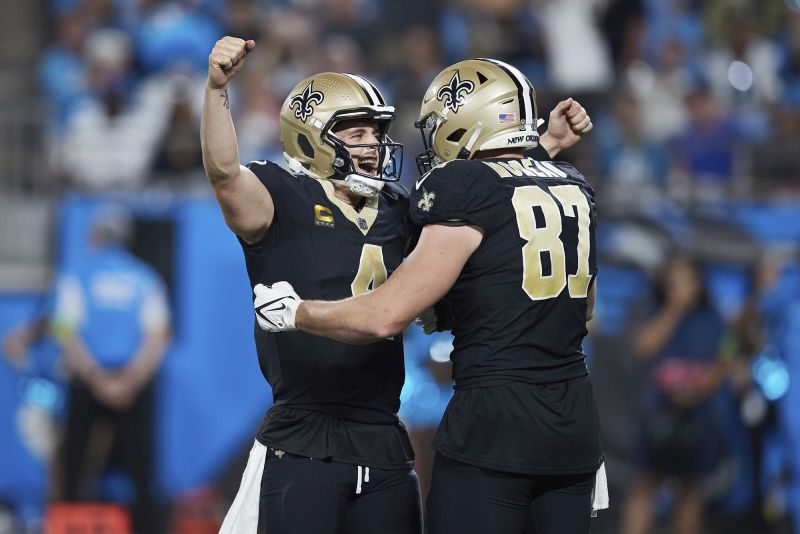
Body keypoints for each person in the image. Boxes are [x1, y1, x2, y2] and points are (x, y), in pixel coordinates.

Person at [202, 37, 593, 533]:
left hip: (384, 440)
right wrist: (216, 88)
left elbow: (492, 198)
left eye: (374, 132)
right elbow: (223, 174)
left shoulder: (399, 207)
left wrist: (539, 147)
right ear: (310, 137)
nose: (370, 145)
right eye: (355, 133)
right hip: (302, 438)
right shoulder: (280, 194)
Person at [51, 206, 171, 534]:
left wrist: (97, 379)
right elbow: (157, 336)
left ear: (96, 236)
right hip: (134, 385)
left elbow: (65, 332)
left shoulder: (76, 275)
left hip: (88, 381)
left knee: (74, 465)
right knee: (141, 469)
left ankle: (68, 525)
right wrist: (129, 381)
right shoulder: (145, 278)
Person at [621, 253, 729, 534]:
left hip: (698, 414)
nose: (681, 285)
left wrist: (709, 380)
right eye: (674, 279)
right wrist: (674, 308)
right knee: (645, 485)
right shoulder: (654, 307)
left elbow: (727, 351)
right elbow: (643, 347)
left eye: (687, 278)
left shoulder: (712, 315)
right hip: (658, 412)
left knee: (691, 491)